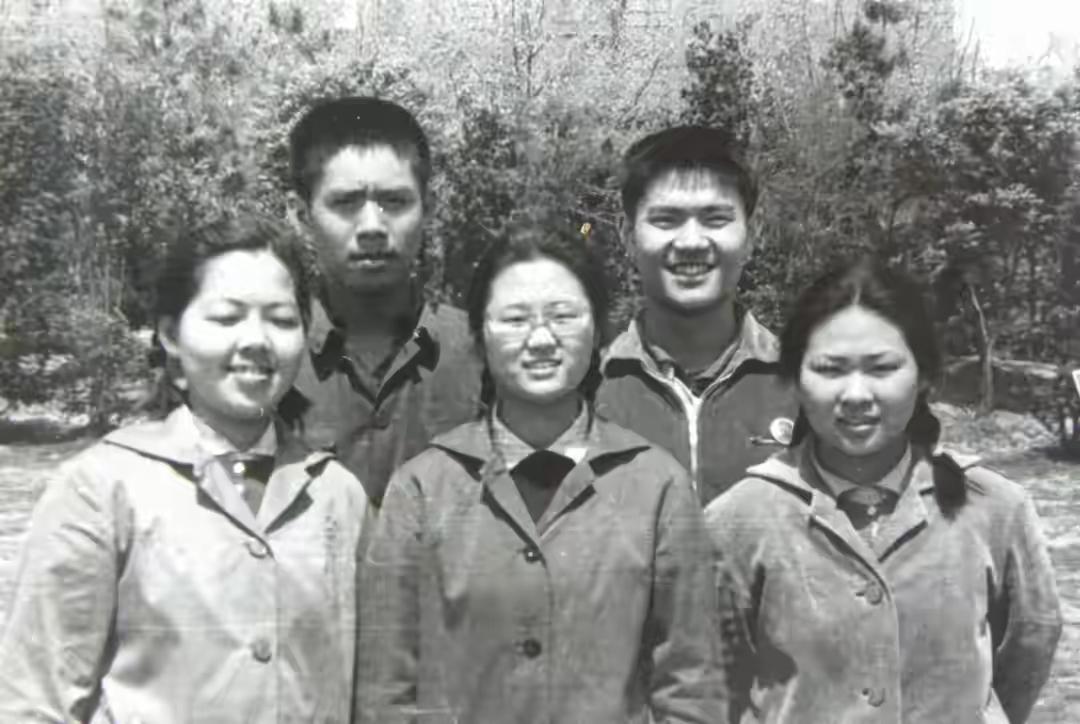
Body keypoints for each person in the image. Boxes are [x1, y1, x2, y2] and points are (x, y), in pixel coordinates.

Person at [0, 215, 369, 722]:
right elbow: (35, 699)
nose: (257, 340)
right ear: (171, 334)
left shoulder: (338, 495)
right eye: (226, 318)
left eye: (282, 320)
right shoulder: (102, 488)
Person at [356, 219, 723, 723]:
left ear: (598, 331)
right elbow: (386, 693)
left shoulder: (657, 487)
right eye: (515, 319)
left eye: (563, 316)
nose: (542, 339)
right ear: (479, 338)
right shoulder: (421, 490)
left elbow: (691, 688)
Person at [705, 259, 1063, 723]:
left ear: (925, 375)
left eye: (882, 368)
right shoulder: (738, 519)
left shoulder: (995, 507)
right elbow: (714, 681)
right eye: (830, 369)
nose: (856, 394)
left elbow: (1030, 642)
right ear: (795, 378)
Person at [287, 96, 482, 506]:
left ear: (428, 208)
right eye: (345, 203)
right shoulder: (273, 359)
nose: (372, 226)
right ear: (302, 216)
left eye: (394, 201)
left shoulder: (480, 351)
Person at [596, 125, 797, 506]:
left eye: (715, 219)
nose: (691, 242)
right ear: (627, 236)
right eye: (666, 220)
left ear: (752, 235)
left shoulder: (804, 387)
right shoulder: (590, 391)